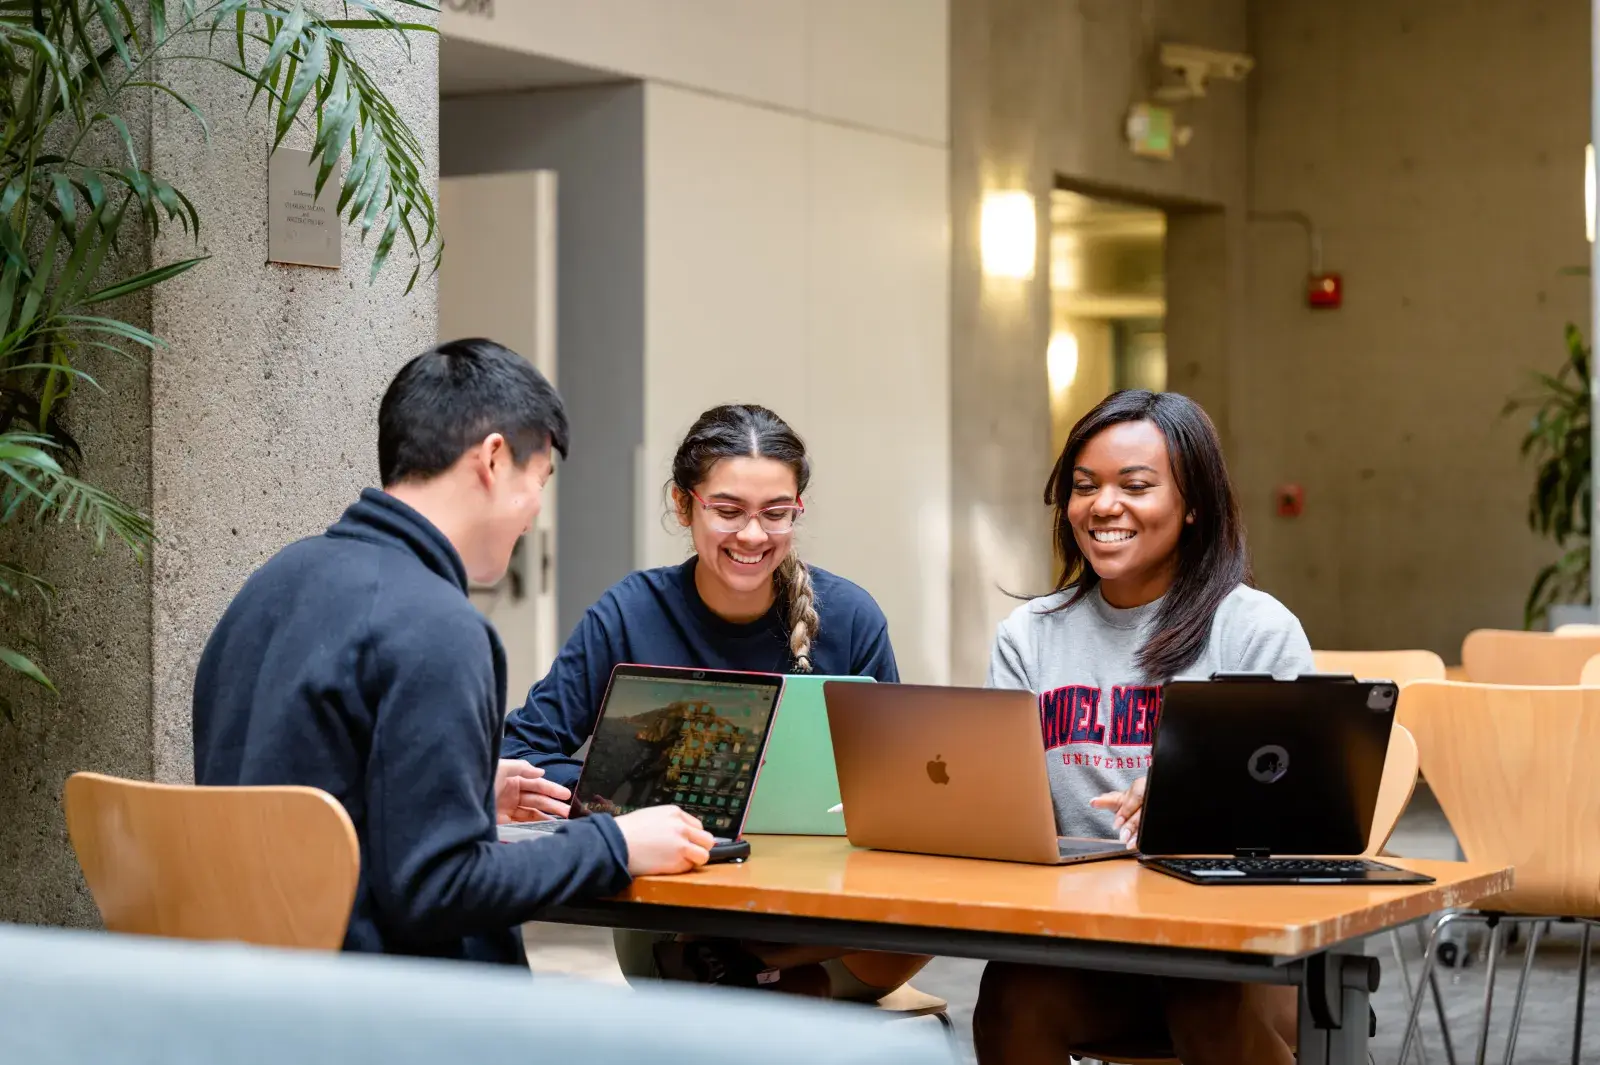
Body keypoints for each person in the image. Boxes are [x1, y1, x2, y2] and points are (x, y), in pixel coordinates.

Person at [192, 338, 714, 965]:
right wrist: (615, 844)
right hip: (392, 1015)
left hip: (260, 995)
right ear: (494, 460)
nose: (533, 515)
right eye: (539, 480)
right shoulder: (439, 626)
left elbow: (299, 798)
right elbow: (439, 888)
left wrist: (456, 792)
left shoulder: (273, 583)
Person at [500, 403, 929, 999]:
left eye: (775, 514)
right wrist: (621, 794)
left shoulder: (851, 618)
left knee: (905, 937)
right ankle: (774, 979)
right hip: (677, 911)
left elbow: (902, 784)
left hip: (826, 913)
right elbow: (523, 749)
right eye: (728, 511)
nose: (752, 536)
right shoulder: (630, 613)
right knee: (766, 994)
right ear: (684, 505)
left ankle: (771, 971)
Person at [972, 390, 1314, 1065]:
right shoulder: (1029, 637)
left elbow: (1306, 811)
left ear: (1193, 505)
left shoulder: (1254, 630)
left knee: (1202, 986)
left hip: (1240, 947)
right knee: (1010, 993)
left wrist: (1195, 803)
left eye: (1135, 485)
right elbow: (1004, 812)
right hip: (1093, 944)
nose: (1102, 505)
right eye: (1083, 486)